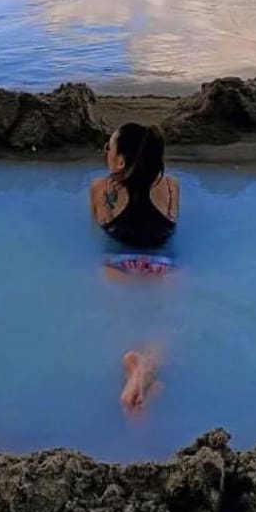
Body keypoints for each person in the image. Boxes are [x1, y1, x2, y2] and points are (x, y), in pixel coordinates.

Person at [89, 123, 180, 412]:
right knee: (163, 326)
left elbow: (97, 225)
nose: (106, 153)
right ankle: (148, 371)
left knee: (121, 321)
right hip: (164, 267)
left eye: (109, 149)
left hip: (116, 265)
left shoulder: (100, 189)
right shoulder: (171, 187)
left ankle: (135, 369)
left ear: (120, 161)